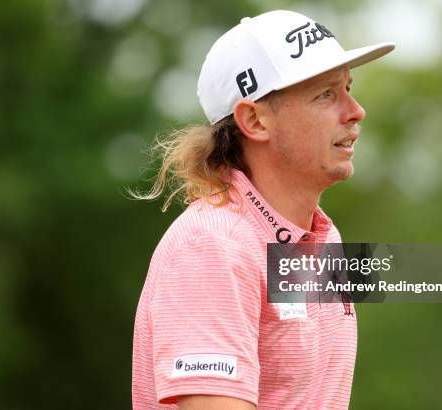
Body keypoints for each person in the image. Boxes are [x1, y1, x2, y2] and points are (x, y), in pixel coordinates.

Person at [131, 9, 394, 410]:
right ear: (254, 120)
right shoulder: (211, 246)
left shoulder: (327, 239)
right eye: (326, 94)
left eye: (347, 88)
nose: (356, 110)